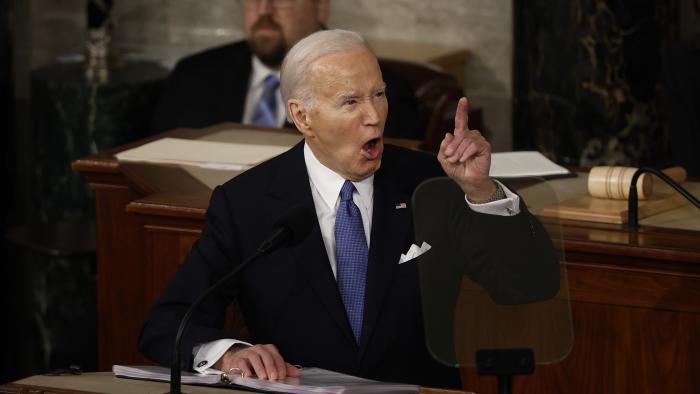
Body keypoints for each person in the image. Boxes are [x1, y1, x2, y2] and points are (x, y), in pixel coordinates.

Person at [139, 29, 558, 389]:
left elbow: (530, 285)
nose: (374, 116)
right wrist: (228, 353)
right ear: (302, 116)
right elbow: (169, 321)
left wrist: (482, 193)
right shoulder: (245, 203)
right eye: (350, 102)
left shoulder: (432, 182)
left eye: (378, 94)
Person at [150, 0, 420, 139]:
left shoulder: (379, 93)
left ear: (320, 6)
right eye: (253, 0)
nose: (264, 10)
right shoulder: (193, 76)